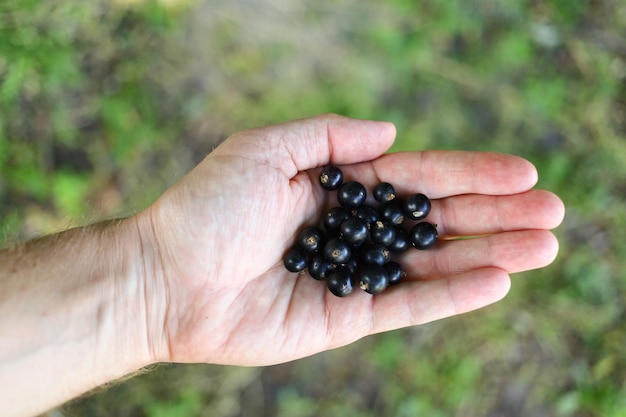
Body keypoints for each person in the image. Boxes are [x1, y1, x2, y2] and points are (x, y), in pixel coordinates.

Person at [0, 114, 565, 417]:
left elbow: (360, 249)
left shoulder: (361, 237)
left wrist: (155, 283)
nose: (344, 247)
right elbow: (346, 248)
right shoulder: (339, 235)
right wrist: (156, 279)